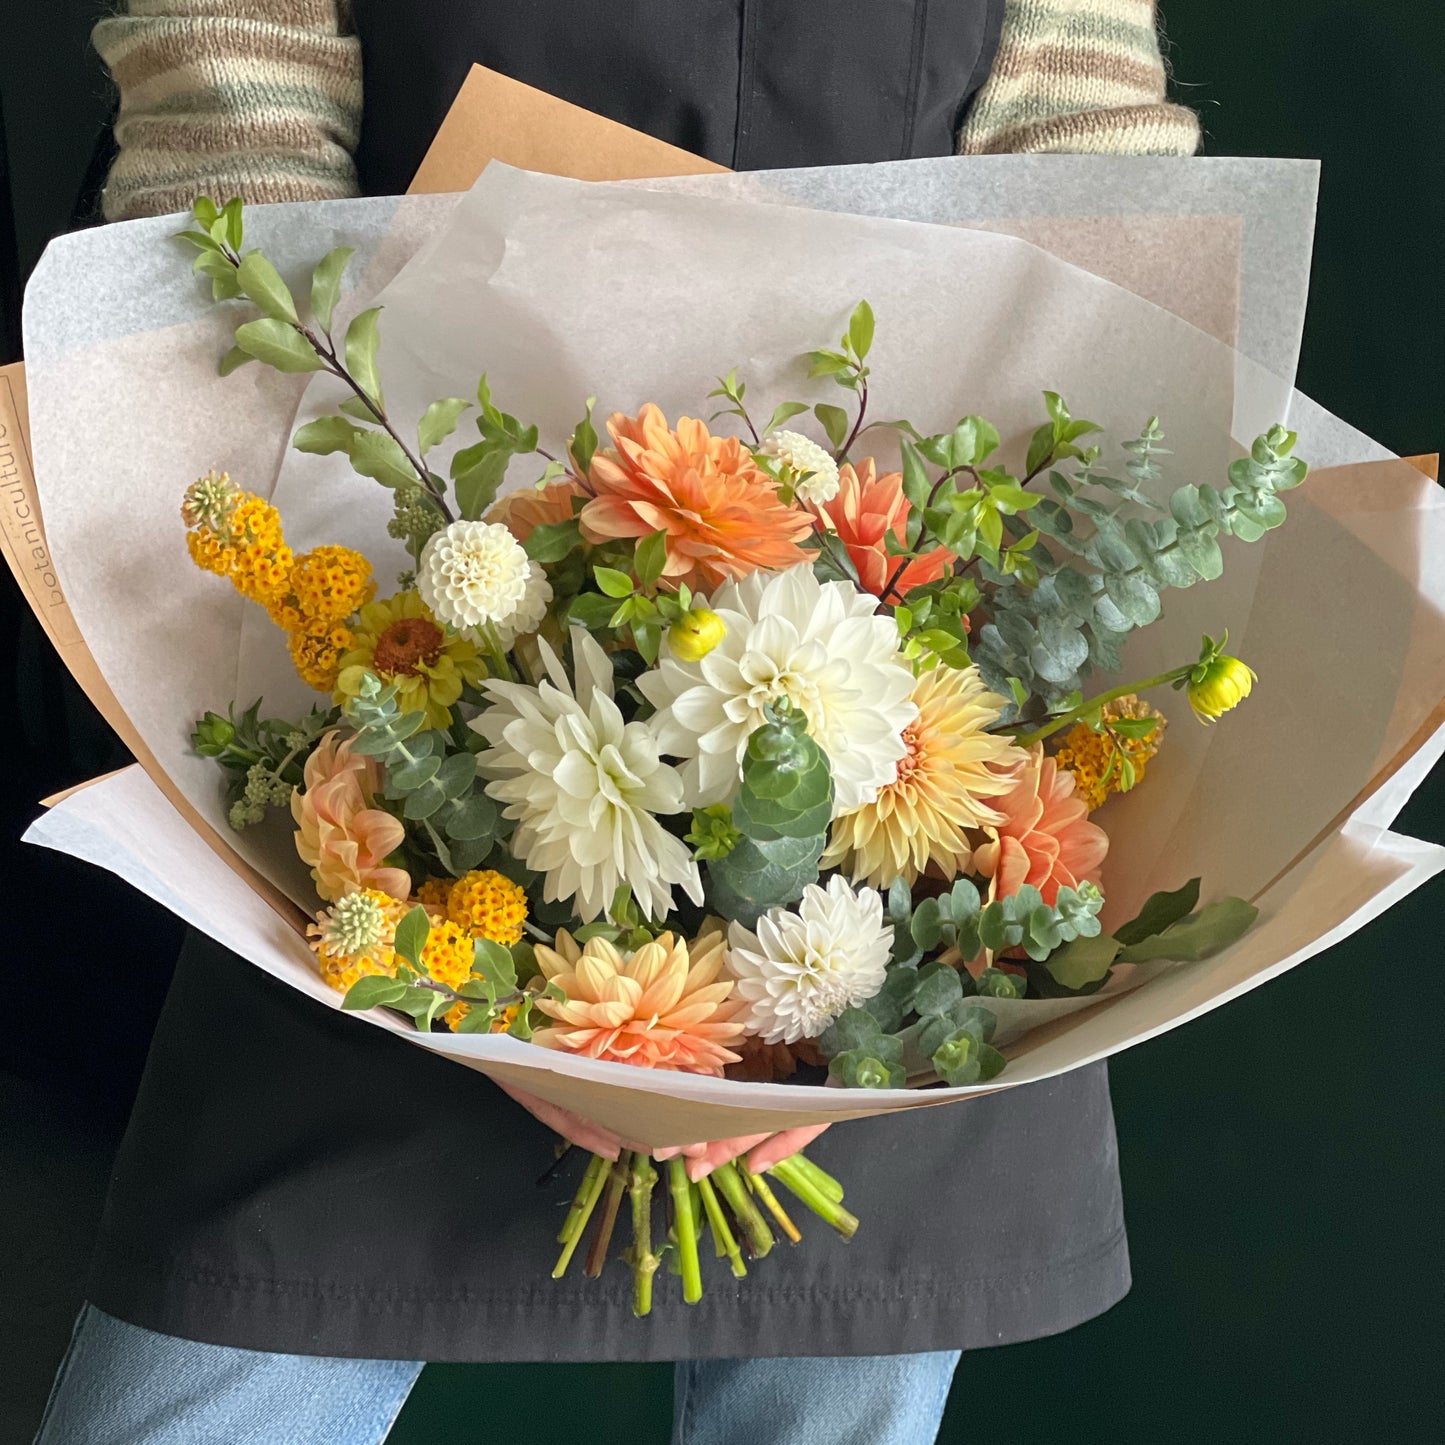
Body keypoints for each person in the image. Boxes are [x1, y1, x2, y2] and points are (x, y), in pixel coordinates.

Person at [36, 4, 1199, 1443]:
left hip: (895, 835)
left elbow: (1102, 227)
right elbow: (215, 197)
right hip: (388, 788)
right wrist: (419, 778)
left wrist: (888, 913)